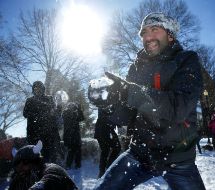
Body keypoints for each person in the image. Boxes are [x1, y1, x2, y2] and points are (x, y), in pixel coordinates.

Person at [88, 12, 205, 190]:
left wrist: (129, 91)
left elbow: (178, 108)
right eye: (143, 32)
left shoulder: (187, 60)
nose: (147, 36)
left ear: (170, 34)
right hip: (140, 153)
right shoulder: (136, 67)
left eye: (154, 29)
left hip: (178, 158)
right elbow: (127, 116)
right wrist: (109, 105)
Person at [9, 140, 78, 190]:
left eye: (25, 162)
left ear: (35, 161)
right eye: (17, 164)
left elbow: (51, 178)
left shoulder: (51, 168)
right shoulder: (18, 178)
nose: (20, 167)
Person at [23, 81, 61, 163]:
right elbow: (25, 114)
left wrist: (58, 108)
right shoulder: (29, 100)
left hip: (48, 132)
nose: (37, 90)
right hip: (33, 133)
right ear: (33, 90)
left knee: (49, 156)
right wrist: (36, 113)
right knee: (35, 157)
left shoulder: (49, 98)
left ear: (43, 89)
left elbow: (55, 113)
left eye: (39, 88)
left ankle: (49, 171)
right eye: (35, 88)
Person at [94, 108, 121, 178]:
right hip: (104, 130)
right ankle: (107, 169)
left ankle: (104, 170)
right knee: (114, 148)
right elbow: (107, 114)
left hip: (103, 129)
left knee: (106, 150)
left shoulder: (108, 103)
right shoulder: (108, 102)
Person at [62, 102, 84, 169]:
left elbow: (81, 118)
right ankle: (68, 165)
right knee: (71, 150)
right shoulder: (65, 113)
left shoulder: (75, 114)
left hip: (76, 135)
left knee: (78, 150)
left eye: (73, 107)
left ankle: (78, 165)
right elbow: (68, 119)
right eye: (71, 107)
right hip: (69, 136)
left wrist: (79, 110)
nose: (73, 108)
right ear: (68, 107)